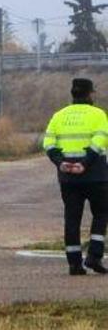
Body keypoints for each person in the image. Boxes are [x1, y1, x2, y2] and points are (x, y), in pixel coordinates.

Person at [43, 78, 108, 275]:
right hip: (95, 175)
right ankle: (94, 256)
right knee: (101, 214)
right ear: (90, 94)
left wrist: (60, 162)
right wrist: (84, 163)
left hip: (68, 177)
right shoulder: (98, 114)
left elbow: (48, 143)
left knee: (72, 218)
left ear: (73, 93)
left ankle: (74, 263)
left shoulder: (59, 116)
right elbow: (100, 140)